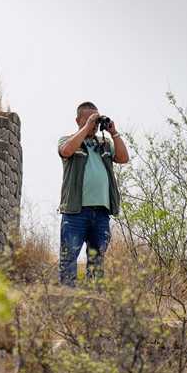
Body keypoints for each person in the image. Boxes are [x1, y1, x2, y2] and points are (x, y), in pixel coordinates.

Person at [56, 101, 129, 286]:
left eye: (96, 121)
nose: (94, 125)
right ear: (78, 120)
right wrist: (87, 127)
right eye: (89, 120)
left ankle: (94, 301)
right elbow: (66, 151)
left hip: (101, 212)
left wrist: (114, 132)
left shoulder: (105, 144)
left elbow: (123, 158)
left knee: (97, 260)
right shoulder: (67, 140)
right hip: (75, 211)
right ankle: (66, 300)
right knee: (69, 257)